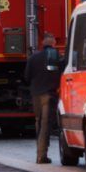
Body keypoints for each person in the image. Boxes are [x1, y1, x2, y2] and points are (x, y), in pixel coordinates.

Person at [24, 33, 62, 164]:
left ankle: (39, 154)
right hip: (49, 95)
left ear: (42, 44)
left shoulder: (33, 58)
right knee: (45, 125)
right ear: (53, 44)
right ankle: (41, 155)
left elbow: (27, 77)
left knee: (39, 123)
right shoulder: (56, 56)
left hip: (36, 95)